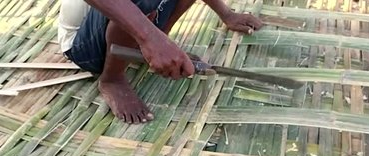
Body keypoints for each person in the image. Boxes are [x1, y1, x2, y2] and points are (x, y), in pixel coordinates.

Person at [58, 0, 262, 124]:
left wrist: (226, 14)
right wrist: (149, 38)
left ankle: (158, 44)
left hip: (129, 29)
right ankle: (112, 78)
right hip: (83, 46)